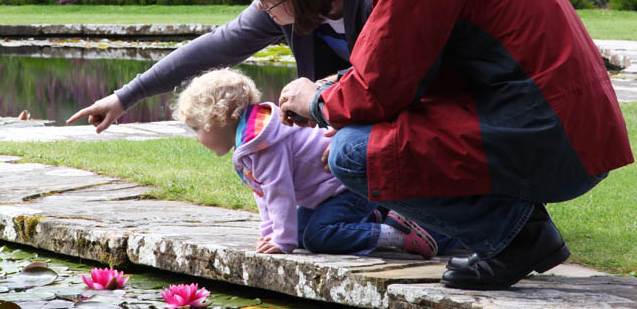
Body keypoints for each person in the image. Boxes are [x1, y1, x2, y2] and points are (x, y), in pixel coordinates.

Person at [277, 0, 634, 290]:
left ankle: (517, 239)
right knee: (367, 134)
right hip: (565, 131)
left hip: (555, 139)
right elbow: (398, 76)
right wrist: (334, 94)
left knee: (352, 153)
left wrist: (314, 101)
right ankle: (520, 230)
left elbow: (377, 90)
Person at [67, 0, 373, 132]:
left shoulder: (374, 0)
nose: (261, 10)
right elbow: (212, 49)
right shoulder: (283, 11)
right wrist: (124, 98)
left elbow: (383, 80)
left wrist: (320, 92)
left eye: (267, 2)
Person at [174, 68, 448, 258]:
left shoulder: (263, 143)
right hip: (334, 194)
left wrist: (282, 240)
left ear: (220, 120)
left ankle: (398, 234)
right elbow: (264, 194)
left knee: (318, 236)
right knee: (301, 231)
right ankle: (374, 216)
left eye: (198, 128)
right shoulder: (251, 140)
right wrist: (271, 235)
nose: (198, 138)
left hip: (349, 186)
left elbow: (279, 191)